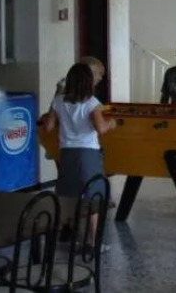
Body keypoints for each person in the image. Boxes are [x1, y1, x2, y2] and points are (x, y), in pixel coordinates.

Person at [40, 63, 117, 251]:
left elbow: (48, 127)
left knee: (70, 196)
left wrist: (56, 95)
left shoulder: (59, 101)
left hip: (67, 153)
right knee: (92, 198)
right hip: (88, 153)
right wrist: (112, 123)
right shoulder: (92, 103)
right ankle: (94, 243)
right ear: (89, 83)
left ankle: (71, 236)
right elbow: (101, 128)